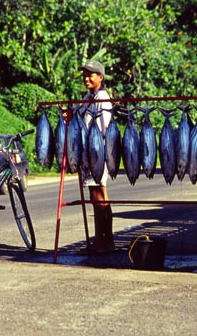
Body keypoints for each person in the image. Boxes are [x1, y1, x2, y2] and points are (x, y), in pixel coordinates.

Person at [79, 61, 115, 253]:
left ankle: (104, 242)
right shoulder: (88, 97)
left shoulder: (102, 97)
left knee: (99, 197)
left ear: (100, 77)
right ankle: (102, 241)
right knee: (96, 197)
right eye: (85, 75)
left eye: (91, 75)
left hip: (97, 153)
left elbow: (103, 127)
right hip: (88, 155)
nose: (86, 78)